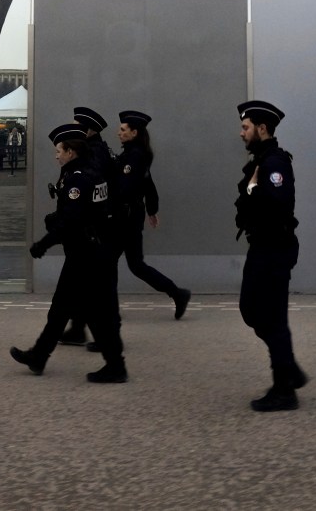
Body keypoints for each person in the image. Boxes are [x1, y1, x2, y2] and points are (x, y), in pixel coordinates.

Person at [10, 124, 127, 383]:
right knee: (61, 309)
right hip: (91, 251)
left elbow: (72, 221)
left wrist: (43, 243)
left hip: (86, 255)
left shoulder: (77, 178)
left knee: (96, 315)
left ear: (71, 152)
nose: (56, 155)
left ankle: (116, 366)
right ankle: (39, 356)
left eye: (59, 151)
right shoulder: (91, 172)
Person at [234, 100, 308, 412]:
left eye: (245, 127)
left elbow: (278, 203)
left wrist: (252, 191)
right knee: (251, 309)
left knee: (272, 317)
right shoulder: (261, 159)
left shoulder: (275, 162)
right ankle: (288, 368)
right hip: (262, 246)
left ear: (262, 129)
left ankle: (284, 389)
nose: (241, 133)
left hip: (274, 249)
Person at [111, 110, 191, 319]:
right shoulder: (135, 153)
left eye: (122, 129)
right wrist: (151, 210)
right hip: (131, 216)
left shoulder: (134, 156)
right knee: (136, 265)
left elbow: (126, 187)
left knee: (110, 262)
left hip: (126, 217)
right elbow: (149, 184)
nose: (118, 132)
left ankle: (109, 313)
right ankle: (177, 293)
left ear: (134, 132)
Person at [59, 106, 119, 347]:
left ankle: (107, 341)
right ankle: (78, 329)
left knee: (93, 283)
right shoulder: (98, 151)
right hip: (93, 227)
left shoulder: (94, 155)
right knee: (86, 282)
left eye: (79, 126)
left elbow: (90, 190)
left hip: (92, 228)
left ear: (90, 130)